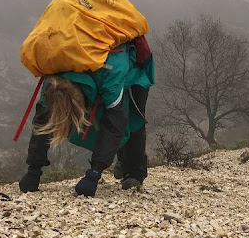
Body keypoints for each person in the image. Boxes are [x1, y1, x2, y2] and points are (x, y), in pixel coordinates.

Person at [18, 38, 154, 196]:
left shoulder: (111, 75)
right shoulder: (53, 81)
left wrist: (94, 173)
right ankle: (121, 156)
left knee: (132, 117)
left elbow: (115, 123)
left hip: (133, 69)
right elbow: (42, 124)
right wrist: (33, 170)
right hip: (95, 72)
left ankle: (133, 172)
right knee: (110, 116)